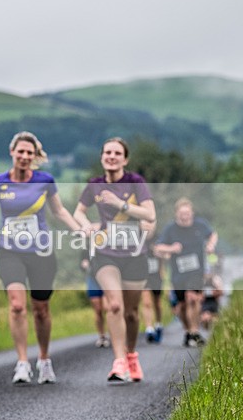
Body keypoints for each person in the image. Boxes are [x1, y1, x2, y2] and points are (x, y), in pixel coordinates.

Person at [0, 132, 81, 384]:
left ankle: (44, 359)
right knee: (17, 305)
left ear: (34, 157)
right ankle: (22, 362)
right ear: (12, 152)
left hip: (41, 252)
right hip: (10, 252)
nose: (24, 156)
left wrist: (79, 230)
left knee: (41, 310)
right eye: (20, 151)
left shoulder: (45, 180)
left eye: (29, 153)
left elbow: (59, 211)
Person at [73, 138, 156, 383]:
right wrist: (86, 226)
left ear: (125, 159)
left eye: (117, 153)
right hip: (105, 252)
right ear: (102, 157)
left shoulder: (136, 183)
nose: (111, 156)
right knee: (115, 305)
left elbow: (150, 214)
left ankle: (131, 355)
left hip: (134, 255)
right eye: (107, 152)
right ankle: (118, 361)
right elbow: (78, 211)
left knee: (131, 313)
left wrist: (120, 204)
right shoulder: (94, 185)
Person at [154, 197, 218, 347]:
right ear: (177, 214)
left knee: (193, 298)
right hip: (178, 274)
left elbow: (213, 234)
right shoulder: (170, 229)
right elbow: (158, 248)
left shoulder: (200, 225)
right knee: (182, 306)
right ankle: (188, 331)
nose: (185, 216)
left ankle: (195, 332)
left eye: (187, 213)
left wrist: (210, 245)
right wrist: (171, 248)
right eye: (182, 213)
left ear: (192, 213)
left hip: (196, 270)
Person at [81, 247, 109, 348]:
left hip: (106, 278)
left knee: (108, 307)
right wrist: (84, 264)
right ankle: (102, 336)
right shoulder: (86, 247)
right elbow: (82, 263)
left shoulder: (108, 246)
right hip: (93, 280)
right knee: (98, 310)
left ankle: (114, 334)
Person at [142, 238, 164, 343]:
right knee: (146, 303)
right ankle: (149, 329)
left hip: (156, 276)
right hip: (143, 276)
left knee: (157, 303)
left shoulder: (158, 238)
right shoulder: (138, 238)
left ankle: (158, 324)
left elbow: (164, 256)